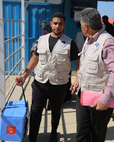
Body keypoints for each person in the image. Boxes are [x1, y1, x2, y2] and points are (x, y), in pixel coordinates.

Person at [15, 12, 80, 142]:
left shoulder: (70, 43)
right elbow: (35, 58)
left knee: (56, 111)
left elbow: (78, 63)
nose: (57, 26)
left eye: (60, 23)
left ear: (64, 25)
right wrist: (24, 76)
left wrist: (77, 79)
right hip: (40, 82)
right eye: (55, 23)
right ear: (51, 24)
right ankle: (33, 137)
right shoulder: (41, 40)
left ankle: (53, 133)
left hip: (59, 84)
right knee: (36, 111)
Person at [71, 8, 114, 142]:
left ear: (86, 27)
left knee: (96, 137)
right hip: (83, 94)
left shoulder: (108, 43)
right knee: (82, 135)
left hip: (99, 99)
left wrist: (106, 98)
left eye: (81, 25)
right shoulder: (89, 40)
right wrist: (78, 81)